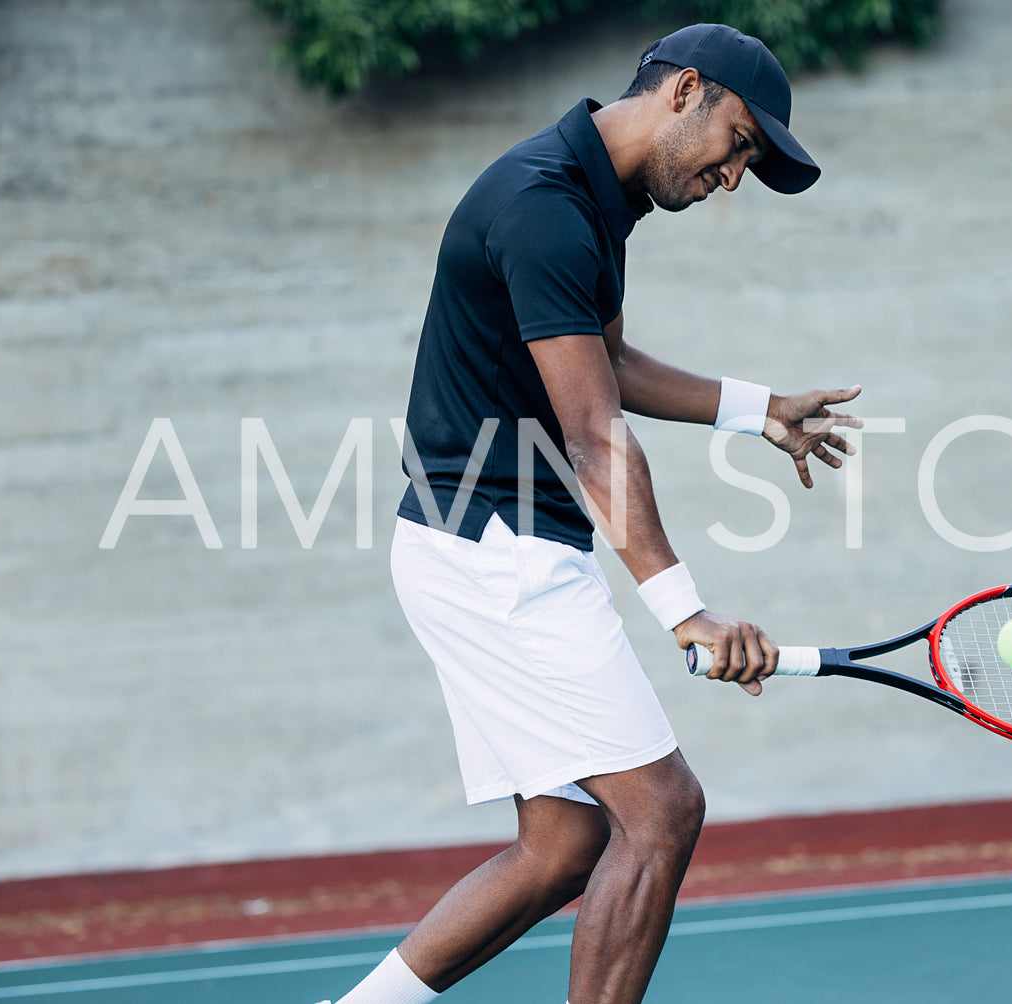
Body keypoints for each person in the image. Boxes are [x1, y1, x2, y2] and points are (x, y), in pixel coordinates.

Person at [321, 23, 861, 1004]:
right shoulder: (544, 209)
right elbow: (595, 433)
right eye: (738, 142)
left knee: (564, 844)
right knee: (661, 810)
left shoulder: (590, 203)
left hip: (479, 544)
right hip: (491, 549)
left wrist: (754, 409)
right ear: (685, 91)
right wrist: (684, 612)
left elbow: (596, 359)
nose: (732, 177)